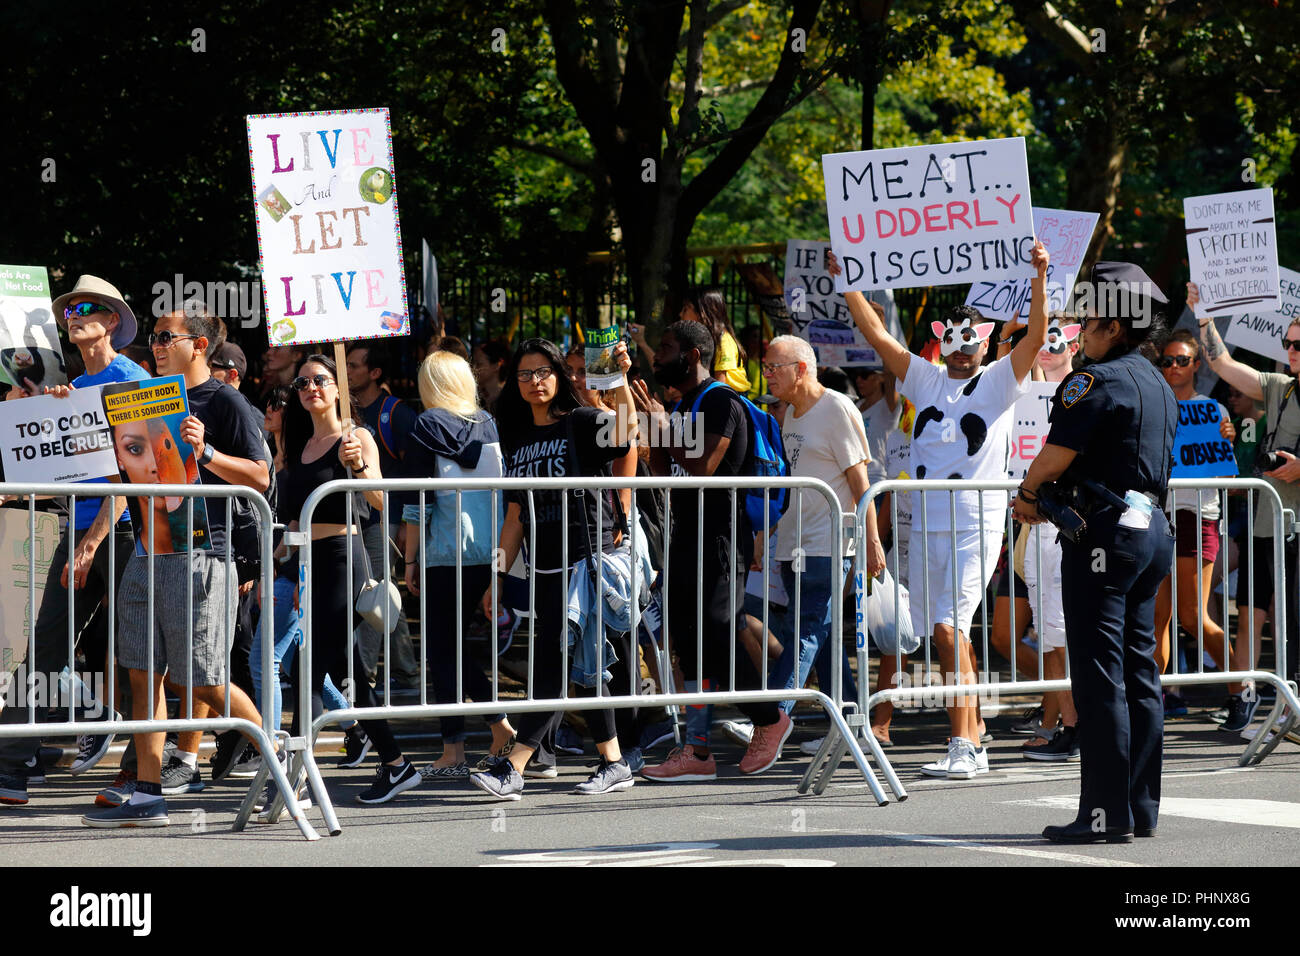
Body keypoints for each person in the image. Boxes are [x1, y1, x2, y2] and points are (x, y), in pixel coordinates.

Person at [835, 241, 1051, 780]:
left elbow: (1037, 335)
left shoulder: (1000, 379)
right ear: (941, 340)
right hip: (927, 523)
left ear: (983, 343)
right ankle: (974, 738)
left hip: (974, 523)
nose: (961, 350)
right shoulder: (925, 378)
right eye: (952, 340)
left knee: (951, 628)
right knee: (943, 631)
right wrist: (849, 287)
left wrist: (1039, 278)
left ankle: (961, 743)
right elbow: (880, 337)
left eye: (971, 340)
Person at [82, 303, 274, 827]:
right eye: (155, 338)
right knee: (143, 676)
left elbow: (261, 477)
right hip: (146, 548)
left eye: (168, 337)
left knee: (202, 680)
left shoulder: (225, 400)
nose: (158, 346)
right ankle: (148, 792)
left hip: (202, 552)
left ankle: (281, 761)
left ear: (200, 345)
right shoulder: (145, 399)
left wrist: (206, 453)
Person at [1011, 261, 1177, 844]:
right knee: (1138, 670)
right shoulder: (1157, 380)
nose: (1078, 333)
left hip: (1105, 531)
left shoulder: (1093, 381)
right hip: (1149, 528)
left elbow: (1056, 453)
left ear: (1112, 324)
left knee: (1100, 674)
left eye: (1086, 322)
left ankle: (1103, 817)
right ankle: (1139, 809)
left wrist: (1029, 494)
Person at [467, 338, 638, 800]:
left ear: (560, 376)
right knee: (585, 664)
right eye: (525, 374)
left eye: (543, 372)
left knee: (554, 661)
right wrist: (498, 576)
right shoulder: (518, 435)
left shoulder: (579, 421)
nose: (534, 381)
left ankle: (514, 765)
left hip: (586, 558)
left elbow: (624, 434)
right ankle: (615, 761)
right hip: (543, 567)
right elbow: (515, 515)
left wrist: (619, 381)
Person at [0, 275, 148, 808]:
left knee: (138, 653)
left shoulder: (131, 380)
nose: (74, 316)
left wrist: (92, 541)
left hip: (124, 530)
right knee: (44, 645)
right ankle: (12, 768)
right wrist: (31, 410)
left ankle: (140, 773)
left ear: (111, 321)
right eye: (68, 310)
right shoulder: (74, 388)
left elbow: (136, 477)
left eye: (87, 308)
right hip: (80, 528)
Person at [632, 320, 794, 781]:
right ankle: (697, 751)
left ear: (694, 355)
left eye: (665, 347)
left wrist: (665, 427)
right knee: (689, 648)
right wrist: (653, 426)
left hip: (720, 541)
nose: (657, 356)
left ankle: (769, 719)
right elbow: (665, 475)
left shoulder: (720, 400)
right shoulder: (682, 404)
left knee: (720, 639)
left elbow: (704, 465)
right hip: (684, 540)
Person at [278, 353, 421, 804]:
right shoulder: (299, 446)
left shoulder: (355, 436)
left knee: (305, 668)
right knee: (348, 672)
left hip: (345, 560)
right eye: (302, 383)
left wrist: (358, 465)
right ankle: (396, 764)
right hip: (309, 562)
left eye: (320, 379)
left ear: (338, 386)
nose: (311, 388)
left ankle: (293, 776)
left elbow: (381, 501)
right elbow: (293, 520)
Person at [402, 351, 517, 776]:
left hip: (445, 553)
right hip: (490, 550)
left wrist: (410, 561)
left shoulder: (426, 424)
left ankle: (467, 742)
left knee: (443, 652)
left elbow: (418, 501)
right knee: (456, 649)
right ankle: (481, 733)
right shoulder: (487, 424)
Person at [1194, 282, 1300, 731]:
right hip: (1265, 523)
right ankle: (1262, 702)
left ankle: (1290, 705)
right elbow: (1222, 362)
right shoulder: (1281, 387)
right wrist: (1202, 316)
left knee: (1293, 617)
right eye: (1288, 343)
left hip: (1295, 527)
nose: (1292, 350)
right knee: (1253, 615)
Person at [762, 335, 884, 720]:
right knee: (824, 639)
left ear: (800, 370)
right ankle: (849, 721)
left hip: (828, 545)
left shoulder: (836, 408)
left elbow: (860, 481)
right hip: (793, 544)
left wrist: (872, 540)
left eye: (772, 368)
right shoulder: (792, 412)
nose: (766, 375)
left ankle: (770, 722)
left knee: (805, 633)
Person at [1151, 329, 1244, 724]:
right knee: (1156, 618)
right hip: (1157, 517)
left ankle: (1243, 691)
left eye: (1182, 360)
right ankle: (1151, 700)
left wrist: (1229, 440)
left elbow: (1226, 477)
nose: (1174, 367)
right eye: (1167, 360)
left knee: (1193, 616)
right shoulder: (1153, 408)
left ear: (1196, 364)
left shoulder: (1213, 411)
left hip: (1196, 517)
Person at [344, 340, 421, 692]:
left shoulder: (397, 413)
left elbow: (415, 470)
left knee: (375, 591)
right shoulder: (344, 410)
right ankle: (406, 671)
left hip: (385, 519)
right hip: (352, 519)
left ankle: (375, 676)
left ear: (374, 373)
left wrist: (407, 523)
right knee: (381, 594)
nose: (346, 371)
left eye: (355, 365)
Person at [682, 287, 749, 393]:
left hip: (728, 399)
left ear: (702, 312)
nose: (681, 314)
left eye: (686, 309)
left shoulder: (724, 341)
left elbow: (720, 385)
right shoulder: (702, 340)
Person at [471, 338, 511, 410]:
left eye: (478, 364)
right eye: (473, 363)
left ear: (496, 365)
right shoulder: (472, 395)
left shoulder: (512, 397)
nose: (473, 368)